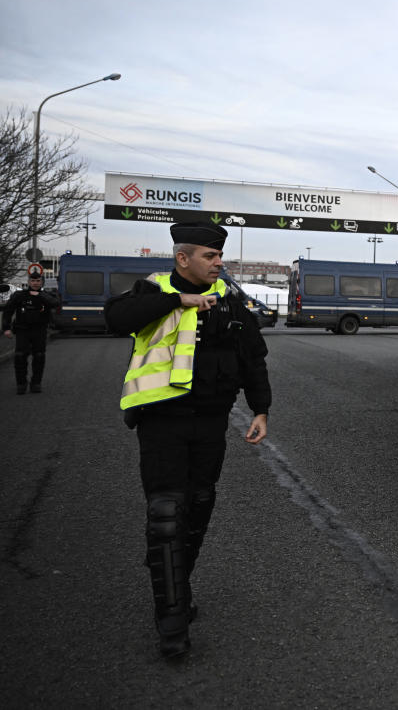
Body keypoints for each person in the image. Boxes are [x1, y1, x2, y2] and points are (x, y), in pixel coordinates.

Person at [104, 222, 271, 660]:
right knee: (166, 513)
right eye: (209, 257)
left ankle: (173, 573)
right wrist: (179, 301)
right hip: (162, 421)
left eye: (220, 257)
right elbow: (114, 318)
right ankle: (172, 622)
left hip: (211, 424)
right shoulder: (152, 291)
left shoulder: (231, 302)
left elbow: (253, 359)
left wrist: (261, 410)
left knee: (197, 507)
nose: (219, 263)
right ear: (183, 259)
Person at [2, 270, 60, 394]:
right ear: (28, 282)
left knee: (39, 356)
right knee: (20, 356)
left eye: (38, 281)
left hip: (39, 330)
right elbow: (8, 311)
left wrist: (39, 295)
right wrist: (6, 328)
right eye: (33, 281)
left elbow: (55, 303)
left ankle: (36, 383)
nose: (35, 283)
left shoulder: (46, 296)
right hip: (22, 330)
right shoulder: (19, 295)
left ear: (42, 282)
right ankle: (21, 384)